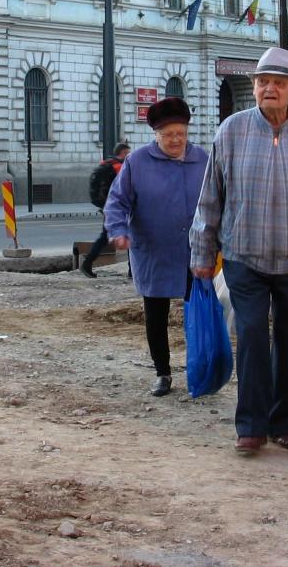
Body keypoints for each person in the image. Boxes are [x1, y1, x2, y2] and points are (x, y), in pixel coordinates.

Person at [190, 46, 288, 455]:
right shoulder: (231, 130)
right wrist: (201, 253)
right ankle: (251, 426)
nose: (269, 89)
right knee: (251, 337)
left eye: (279, 82)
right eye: (263, 82)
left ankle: (285, 423)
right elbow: (211, 198)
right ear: (255, 86)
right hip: (245, 257)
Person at [104, 98, 207, 397]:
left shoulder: (204, 160)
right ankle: (163, 372)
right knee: (156, 314)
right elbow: (117, 201)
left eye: (181, 134)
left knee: (199, 312)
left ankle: (199, 367)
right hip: (154, 250)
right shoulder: (137, 162)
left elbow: (220, 200)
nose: (176, 140)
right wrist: (118, 229)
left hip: (195, 251)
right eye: (168, 135)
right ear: (156, 135)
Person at [80, 141, 131, 278]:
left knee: (117, 235)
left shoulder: (106, 164)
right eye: (128, 152)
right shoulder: (119, 167)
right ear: (123, 153)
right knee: (113, 236)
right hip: (117, 208)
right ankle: (87, 263)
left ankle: (132, 270)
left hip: (108, 206)